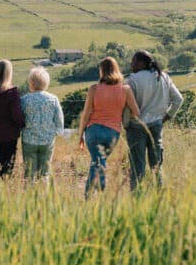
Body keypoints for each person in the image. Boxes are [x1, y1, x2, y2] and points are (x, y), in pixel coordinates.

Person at [77, 57, 141, 196]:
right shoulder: (125, 89)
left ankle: (91, 195)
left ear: (101, 71)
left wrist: (81, 134)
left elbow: (86, 114)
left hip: (93, 131)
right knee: (100, 161)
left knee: (97, 162)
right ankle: (98, 195)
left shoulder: (94, 89)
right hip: (112, 132)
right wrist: (123, 116)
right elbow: (136, 112)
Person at [125, 49, 184, 190]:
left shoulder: (132, 80)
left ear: (139, 63)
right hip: (157, 125)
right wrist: (168, 116)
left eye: (133, 61)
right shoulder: (164, 77)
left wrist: (126, 124)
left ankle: (136, 198)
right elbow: (178, 99)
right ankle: (159, 198)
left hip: (136, 126)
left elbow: (127, 107)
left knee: (137, 167)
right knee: (156, 166)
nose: (131, 64)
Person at [18, 66, 64, 182]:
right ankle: (45, 195)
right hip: (47, 140)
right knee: (45, 173)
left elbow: (20, 118)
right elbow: (59, 118)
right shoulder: (53, 99)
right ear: (46, 83)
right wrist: (58, 131)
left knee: (29, 174)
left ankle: (30, 195)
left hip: (29, 140)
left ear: (31, 83)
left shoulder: (24, 100)